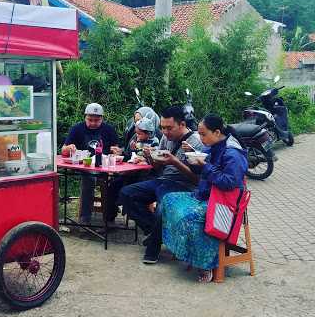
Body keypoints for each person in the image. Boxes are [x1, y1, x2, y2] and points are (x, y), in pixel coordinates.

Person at [161, 115, 248, 283]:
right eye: (199, 134)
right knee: (169, 200)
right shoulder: (212, 145)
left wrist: (205, 165)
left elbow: (229, 183)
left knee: (190, 217)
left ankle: (206, 264)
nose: (200, 138)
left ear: (216, 132)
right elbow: (200, 171)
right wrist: (191, 156)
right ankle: (185, 251)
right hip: (205, 195)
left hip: (224, 202)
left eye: (203, 134)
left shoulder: (233, 153)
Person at [118, 105, 203, 263]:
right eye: (162, 128)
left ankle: (152, 250)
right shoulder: (166, 138)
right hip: (163, 181)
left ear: (182, 124)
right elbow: (158, 166)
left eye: (169, 128)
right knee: (125, 194)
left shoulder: (195, 143)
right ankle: (154, 232)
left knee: (161, 210)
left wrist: (175, 161)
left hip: (183, 186)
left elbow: (197, 180)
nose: (164, 132)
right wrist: (150, 157)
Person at [62, 103, 119, 224]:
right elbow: (63, 150)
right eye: (90, 120)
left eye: (97, 120)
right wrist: (69, 148)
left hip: (105, 166)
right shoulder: (77, 129)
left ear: (102, 119)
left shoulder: (109, 129)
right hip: (84, 166)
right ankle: (84, 219)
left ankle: (109, 217)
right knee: (89, 178)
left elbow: (117, 149)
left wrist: (116, 151)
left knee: (114, 181)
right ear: (85, 117)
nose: (93, 123)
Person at [105, 118, 159, 222]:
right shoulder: (135, 139)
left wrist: (145, 157)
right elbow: (129, 155)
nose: (137, 136)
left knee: (127, 191)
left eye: (140, 134)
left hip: (145, 175)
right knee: (112, 186)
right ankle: (109, 218)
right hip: (130, 172)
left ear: (148, 133)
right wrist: (122, 152)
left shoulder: (154, 142)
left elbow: (155, 160)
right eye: (137, 133)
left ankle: (127, 208)